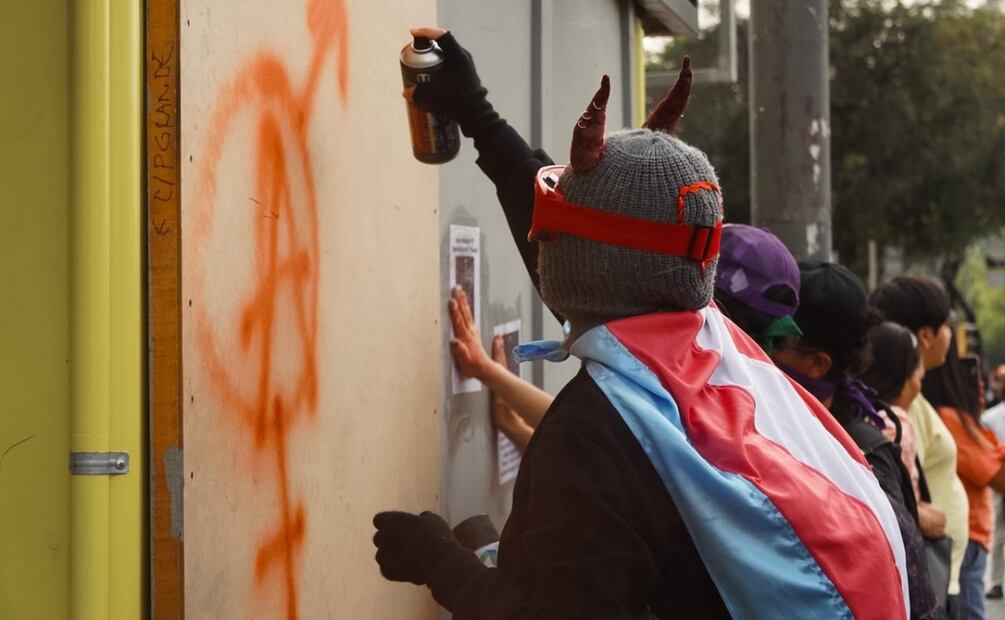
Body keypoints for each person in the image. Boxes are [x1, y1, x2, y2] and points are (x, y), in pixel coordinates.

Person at [372, 28, 910, 618]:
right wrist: (475, 111)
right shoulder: (713, 345)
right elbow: (607, 244)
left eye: (551, 227)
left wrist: (437, 559)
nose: (538, 237)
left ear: (584, 261)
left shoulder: (593, 432)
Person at [769, 262, 941, 619]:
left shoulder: (863, 460)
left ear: (818, 364)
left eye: (773, 341)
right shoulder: (769, 424)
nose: (754, 352)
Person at [873, 277, 970, 610]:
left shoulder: (913, 398)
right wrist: (920, 516)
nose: (950, 335)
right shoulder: (903, 409)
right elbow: (899, 495)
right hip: (932, 579)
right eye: (946, 326)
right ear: (926, 336)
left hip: (942, 571)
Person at [923, 338, 1005, 620]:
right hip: (965, 539)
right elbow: (998, 477)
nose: (982, 387)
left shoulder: (952, 417)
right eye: (974, 379)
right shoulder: (951, 419)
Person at [859, 321, 947, 539]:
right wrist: (932, 518)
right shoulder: (897, 425)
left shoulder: (856, 416)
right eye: (919, 377)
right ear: (907, 379)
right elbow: (904, 502)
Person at [982, 389, 1005, 600]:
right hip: (999, 480)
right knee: (998, 532)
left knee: (998, 533)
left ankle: (996, 582)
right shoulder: (990, 417)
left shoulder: (990, 417)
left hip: (997, 478)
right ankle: (996, 581)